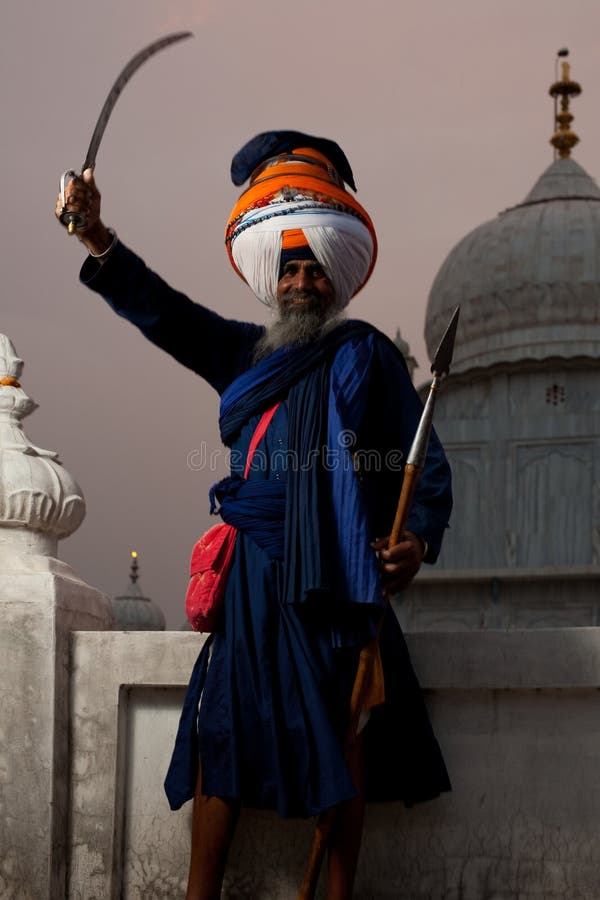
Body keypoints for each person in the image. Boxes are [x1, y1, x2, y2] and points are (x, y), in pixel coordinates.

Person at [56, 131, 453, 900]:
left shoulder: (367, 356)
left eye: (315, 268)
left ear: (334, 281)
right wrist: (97, 236)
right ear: (277, 280)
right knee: (222, 733)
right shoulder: (243, 354)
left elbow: (420, 461)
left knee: (348, 736)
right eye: (292, 267)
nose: (303, 279)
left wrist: (417, 538)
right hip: (251, 584)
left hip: (341, 575)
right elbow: (165, 313)